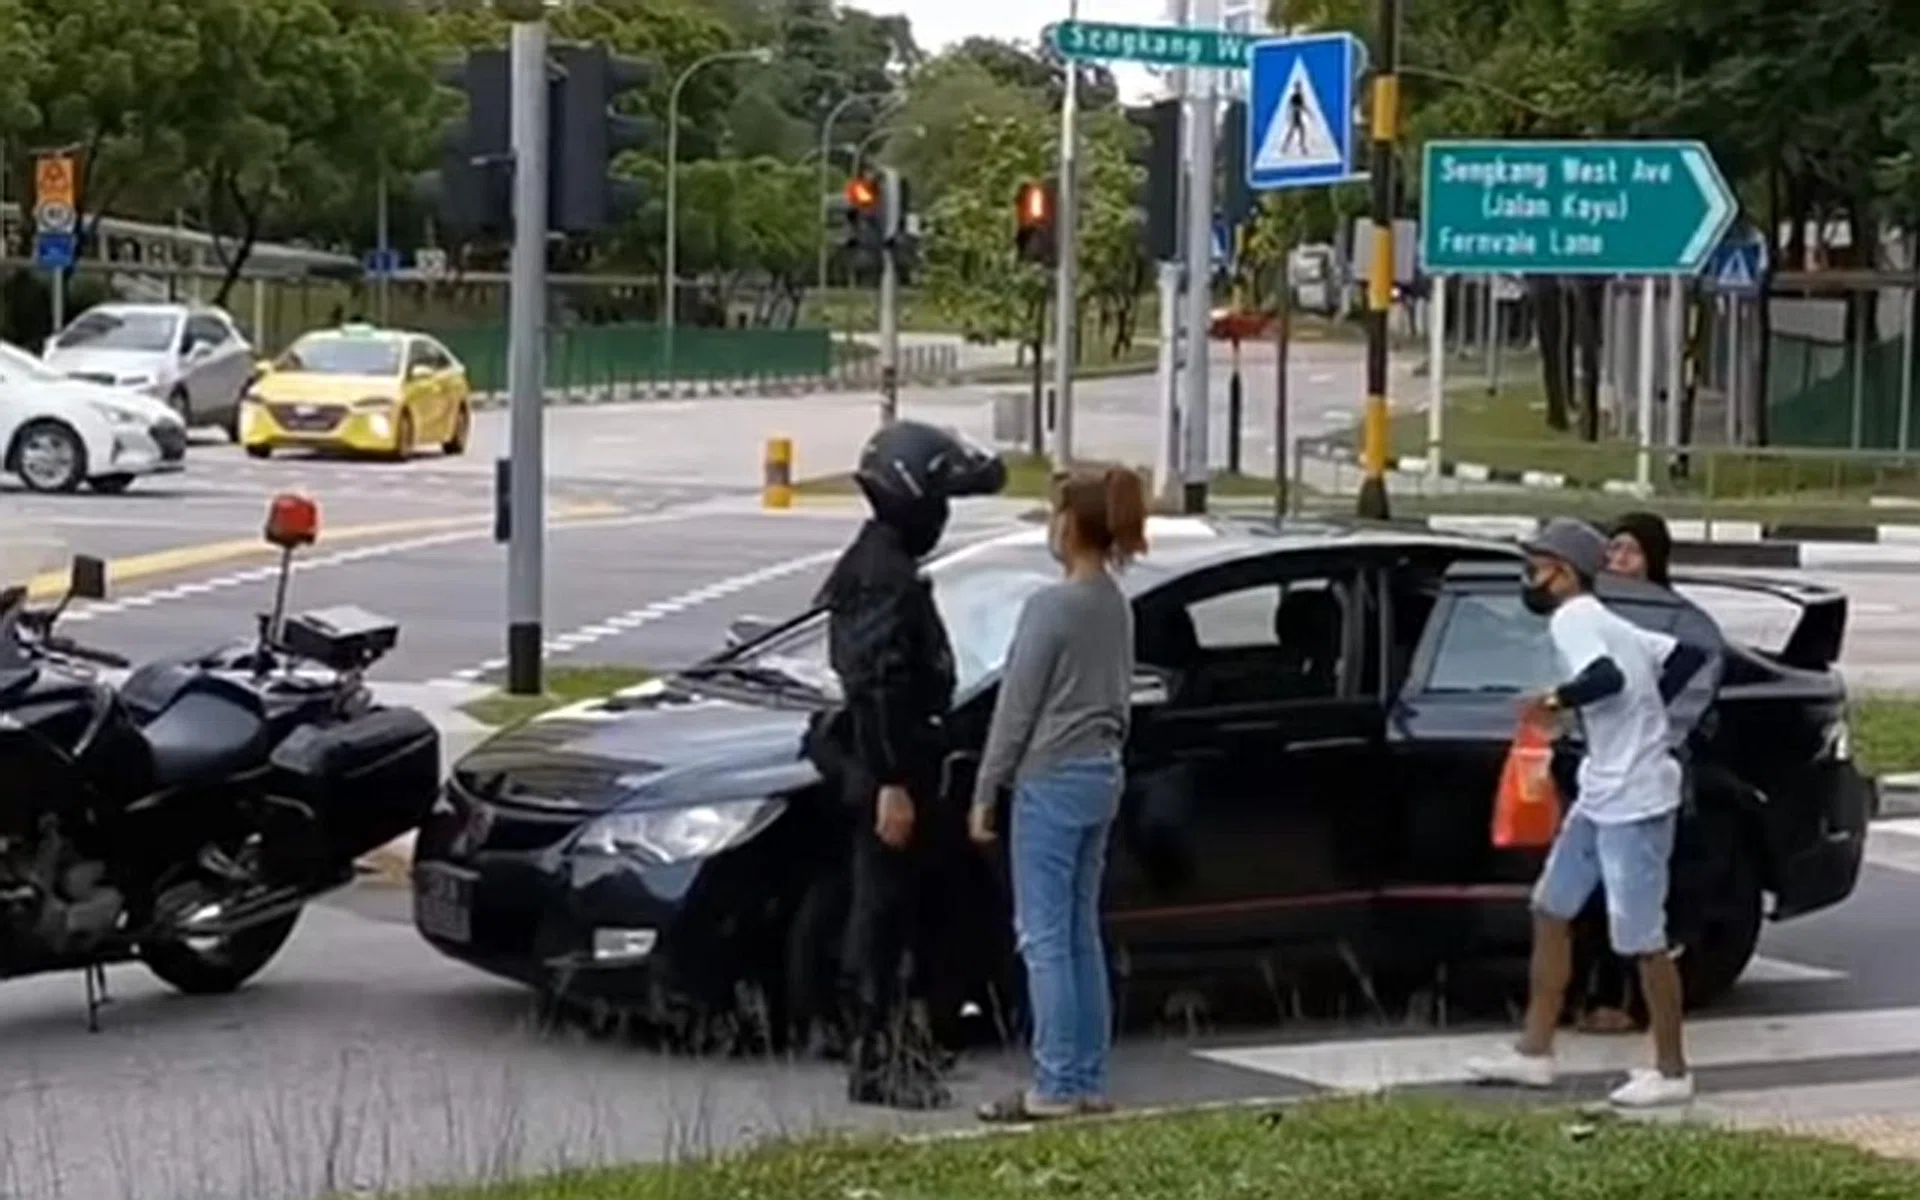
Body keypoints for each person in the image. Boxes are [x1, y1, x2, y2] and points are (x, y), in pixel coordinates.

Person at [1465, 518, 1710, 1108]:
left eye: (1536, 568)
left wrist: (1554, 701)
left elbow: (1606, 677)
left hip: (1634, 800)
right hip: (1603, 791)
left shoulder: (1574, 618)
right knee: (1551, 907)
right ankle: (1534, 1053)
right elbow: (1685, 656)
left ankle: (1671, 1071)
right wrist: (1645, 719)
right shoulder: (1608, 621)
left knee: (1642, 938)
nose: (1529, 580)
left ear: (1565, 574)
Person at [808, 419, 1006, 1111]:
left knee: (926, 912)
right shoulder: (880, 578)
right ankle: (876, 1061)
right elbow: (877, 684)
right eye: (940, 500)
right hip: (891, 771)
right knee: (884, 917)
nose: (943, 517)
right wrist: (891, 781)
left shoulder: (887, 567)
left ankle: (908, 1046)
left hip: (909, 766)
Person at [969, 465, 1147, 1123]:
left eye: (1054, 514)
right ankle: (1086, 1077)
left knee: (1042, 937)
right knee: (1079, 932)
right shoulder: (1115, 604)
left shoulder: (1052, 607)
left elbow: (1016, 707)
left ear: (1071, 525)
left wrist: (987, 788)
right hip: (1102, 771)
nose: (1051, 526)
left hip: (1050, 775)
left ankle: (1053, 1084)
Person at [1569, 511, 1727, 1033]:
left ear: (1653, 559)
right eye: (1612, 550)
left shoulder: (1676, 621)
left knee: (1638, 889)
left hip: (1649, 777)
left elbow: (1683, 697)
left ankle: (1634, 1004)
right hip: (1594, 773)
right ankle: (1594, 995)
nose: (1619, 561)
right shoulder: (1590, 613)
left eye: (1631, 551)